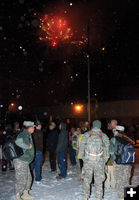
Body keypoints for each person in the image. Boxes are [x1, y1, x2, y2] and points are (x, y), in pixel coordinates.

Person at [79, 120, 110, 200]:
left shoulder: (86, 135)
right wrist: (104, 160)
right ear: (100, 126)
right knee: (99, 181)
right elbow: (107, 151)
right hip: (99, 161)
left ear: (93, 126)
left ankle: (85, 197)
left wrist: (84, 159)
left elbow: (81, 148)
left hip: (88, 161)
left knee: (86, 180)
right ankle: (98, 198)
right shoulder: (103, 136)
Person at [110, 125, 134, 200]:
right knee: (126, 180)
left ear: (117, 131)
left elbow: (111, 151)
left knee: (119, 180)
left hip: (118, 163)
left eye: (114, 131)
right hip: (128, 162)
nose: (113, 132)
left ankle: (121, 197)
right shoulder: (128, 138)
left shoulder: (114, 139)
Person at [14, 121, 35, 200]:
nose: (34, 129)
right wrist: (27, 146)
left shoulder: (28, 134)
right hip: (20, 161)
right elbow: (18, 141)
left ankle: (26, 193)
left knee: (28, 178)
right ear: (29, 127)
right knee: (21, 179)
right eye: (33, 127)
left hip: (25, 161)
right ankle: (17, 196)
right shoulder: (24, 134)